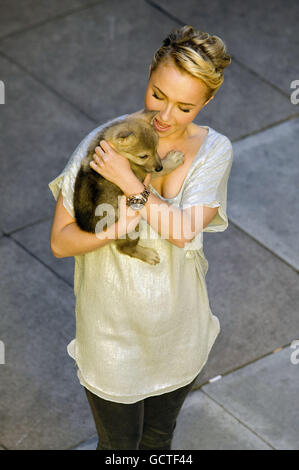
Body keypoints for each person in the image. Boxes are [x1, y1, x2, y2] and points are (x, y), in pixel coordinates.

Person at [48, 25, 233, 450]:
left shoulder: (214, 150)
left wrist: (131, 184)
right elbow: (60, 241)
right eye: (157, 95)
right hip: (111, 333)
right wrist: (113, 231)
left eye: (185, 107)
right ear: (148, 76)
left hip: (177, 327)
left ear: (207, 102)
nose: (165, 116)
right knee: (117, 449)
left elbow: (184, 232)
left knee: (157, 441)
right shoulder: (104, 143)